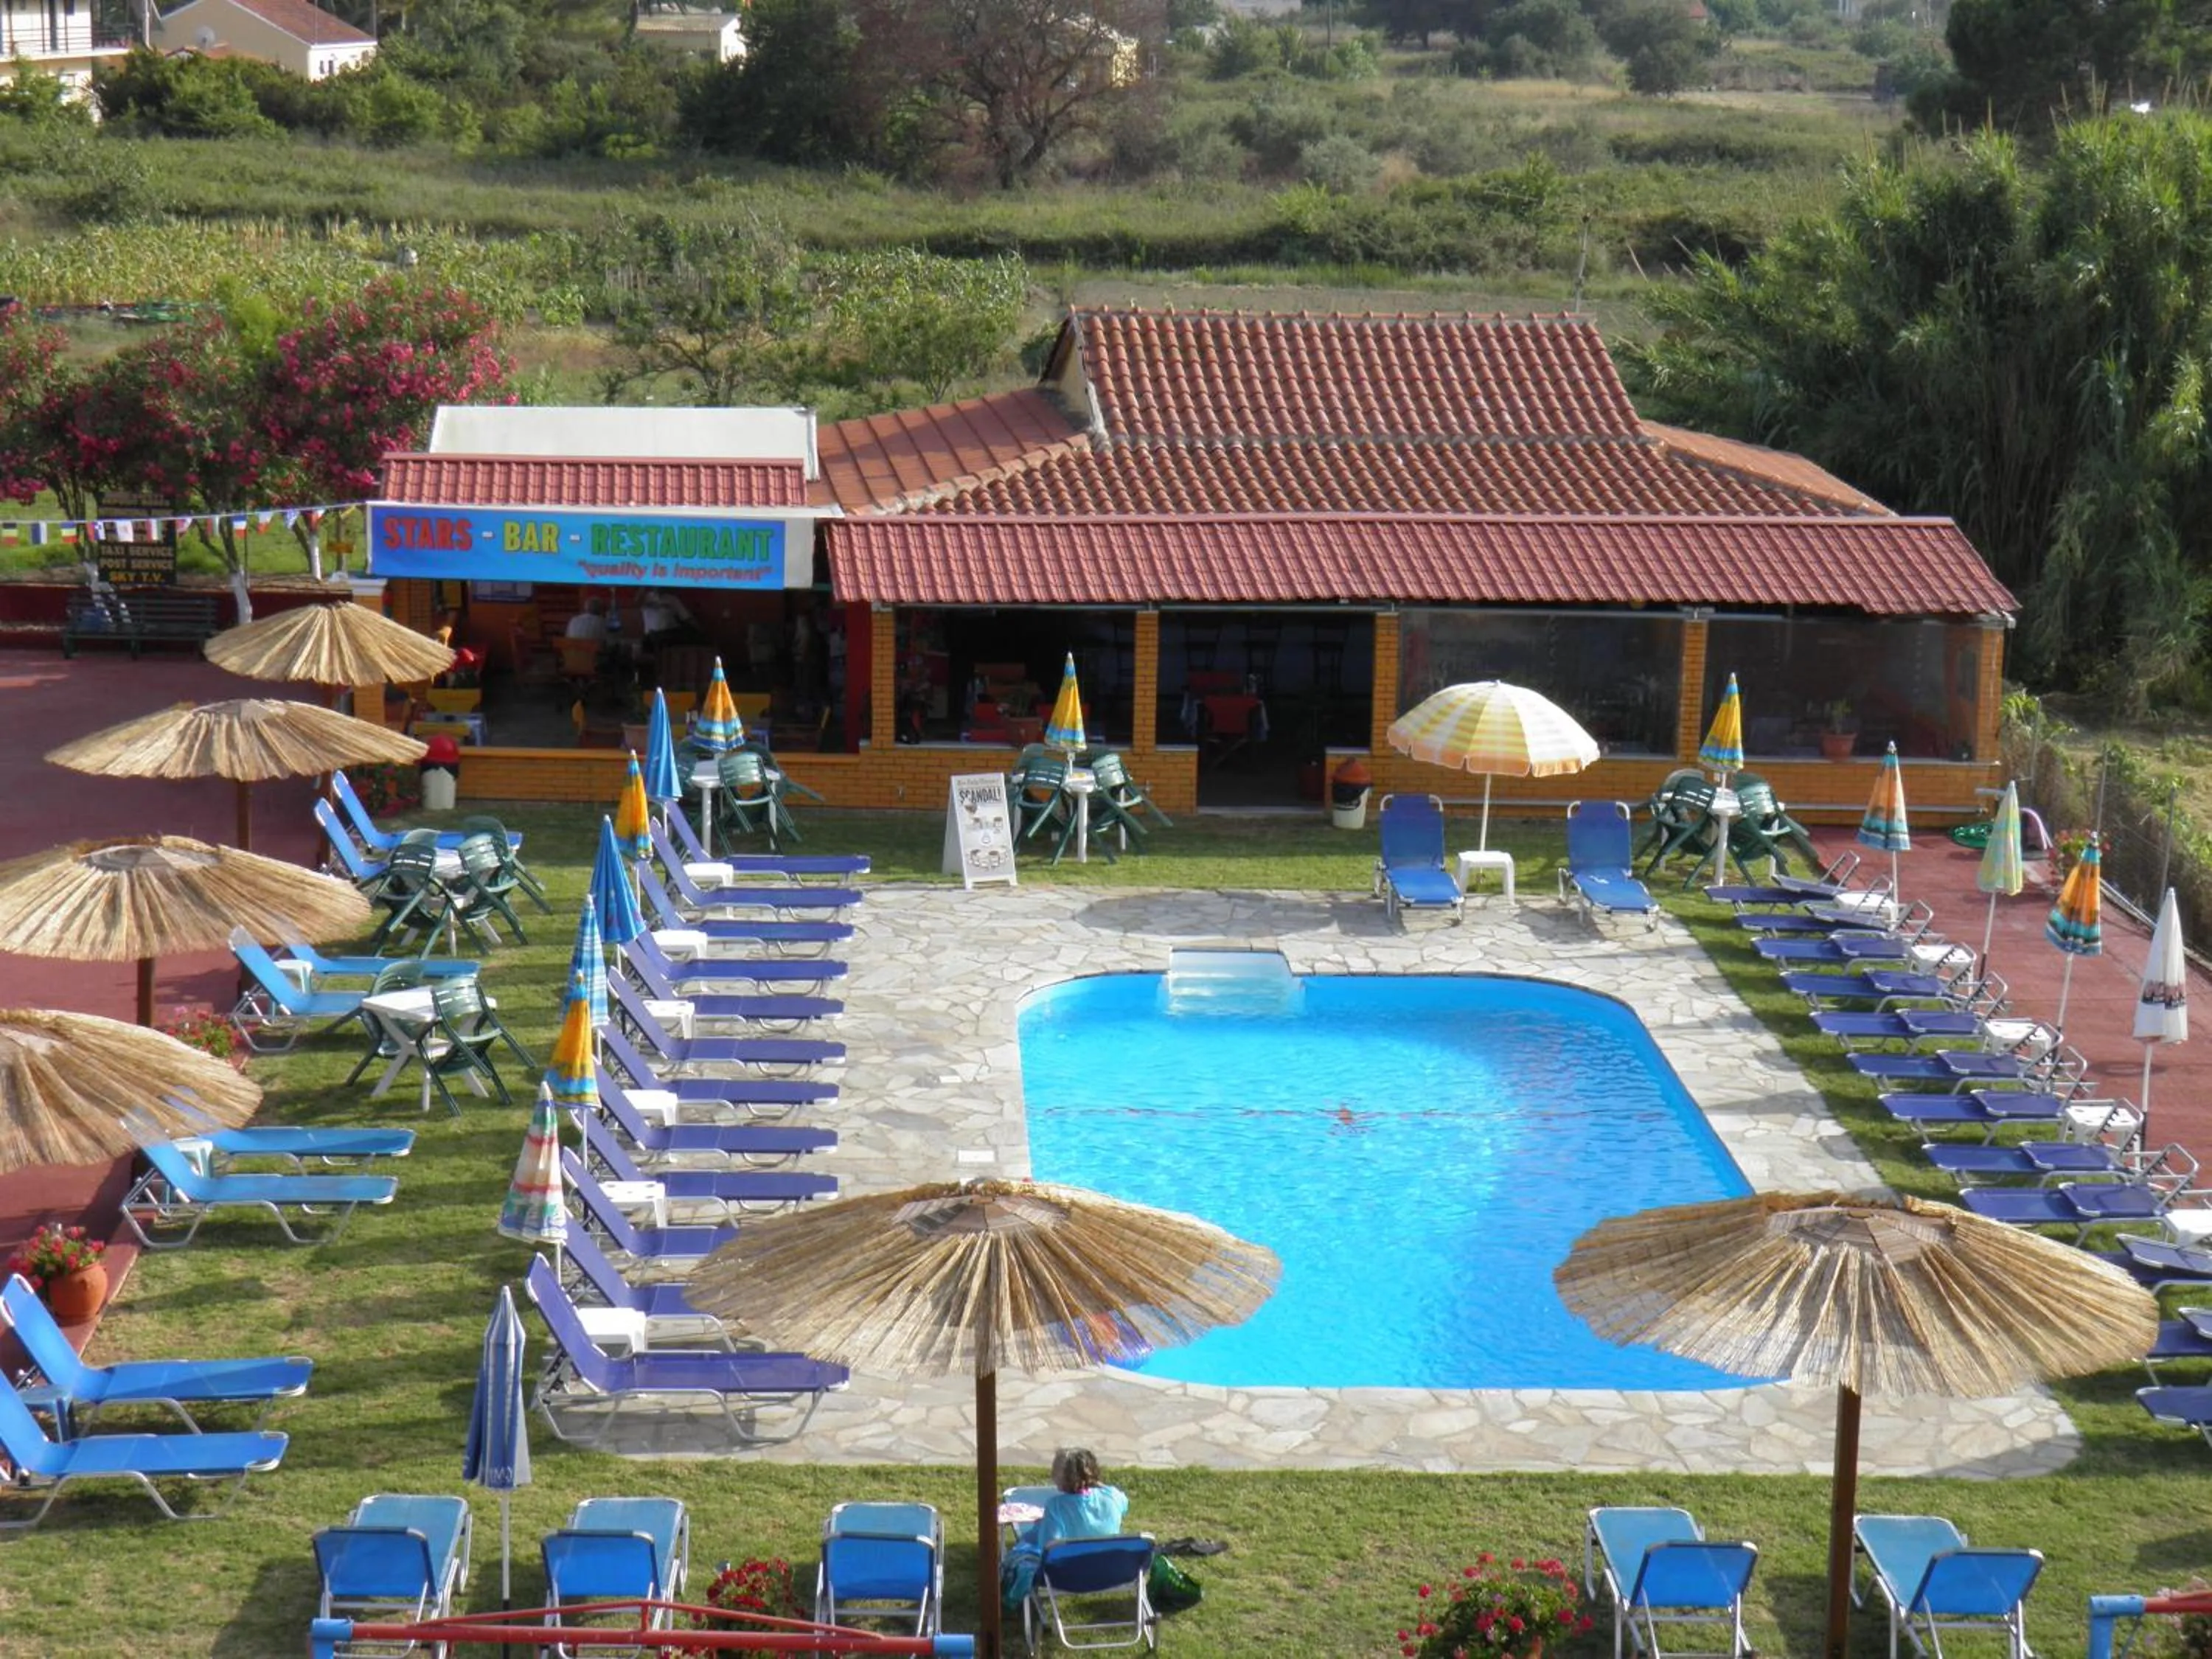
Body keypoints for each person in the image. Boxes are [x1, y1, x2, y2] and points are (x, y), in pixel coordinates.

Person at [1001, 1447, 1130, 1610]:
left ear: (1060, 1478)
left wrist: (1043, 1525)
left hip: (1069, 1573)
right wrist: (1096, 1483)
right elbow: (1124, 1503)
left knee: (1022, 1552)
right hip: (1107, 1568)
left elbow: (1047, 1545)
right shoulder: (1113, 1496)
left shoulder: (1057, 1507)